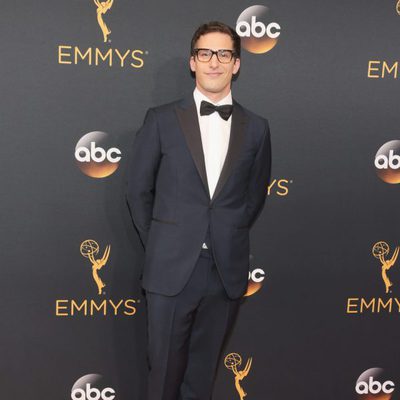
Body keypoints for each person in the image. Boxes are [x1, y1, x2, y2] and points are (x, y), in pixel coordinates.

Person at [126, 21, 271, 400]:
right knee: (163, 377)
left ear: (236, 64)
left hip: (224, 272)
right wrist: (163, 240)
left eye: (224, 54)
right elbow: (138, 190)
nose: (214, 62)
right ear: (193, 62)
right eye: (205, 53)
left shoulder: (257, 128)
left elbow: (253, 197)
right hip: (171, 269)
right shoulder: (160, 119)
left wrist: (225, 235)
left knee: (202, 378)